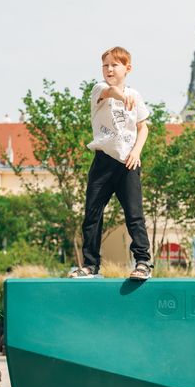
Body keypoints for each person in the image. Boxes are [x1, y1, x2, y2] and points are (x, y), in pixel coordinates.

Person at [68, 46, 153, 280]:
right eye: (105, 65)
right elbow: (109, 93)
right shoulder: (99, 89)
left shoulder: (135, 96)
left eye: (114, 65)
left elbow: (142, 127)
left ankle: (143, 262)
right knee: (92, 213)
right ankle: (90, 265)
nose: (109, 69)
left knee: (134, 214)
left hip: (128, 163)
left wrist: (137, 151)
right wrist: (118, 94)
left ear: (128, 68)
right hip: (104, 161)